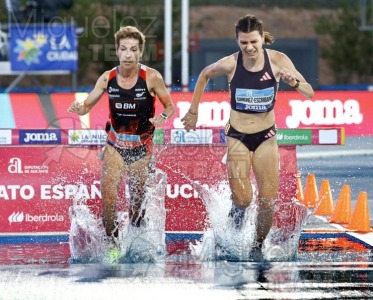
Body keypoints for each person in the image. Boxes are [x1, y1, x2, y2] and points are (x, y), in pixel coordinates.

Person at [181, 14, 314, 260]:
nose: (249, 48)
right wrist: (193, 111)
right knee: (243, 199)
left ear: (262, 38)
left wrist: (294, 82)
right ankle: (234, 223)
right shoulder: (231, 64)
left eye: (253, 42)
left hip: (266, 137)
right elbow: (204, 75)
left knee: (267, 201)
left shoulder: (278, 61)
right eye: (244, 43)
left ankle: (256, 248)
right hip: (238, 137)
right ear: (237, 41)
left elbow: (310, 92)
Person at [68, 26, 175, 259]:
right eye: (124, 49)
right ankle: (114, 248)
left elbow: (170, 107)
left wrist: (163, 118)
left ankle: (136, 245)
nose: (128, 54)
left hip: (141, 148)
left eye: (133, 50)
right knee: (108, 200)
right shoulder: (108, 78)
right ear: (117, 51)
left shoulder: (152, 77)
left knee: (137, 208)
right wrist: (80, 108)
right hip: (114, 146)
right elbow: (87, 105)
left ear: (140, 53)